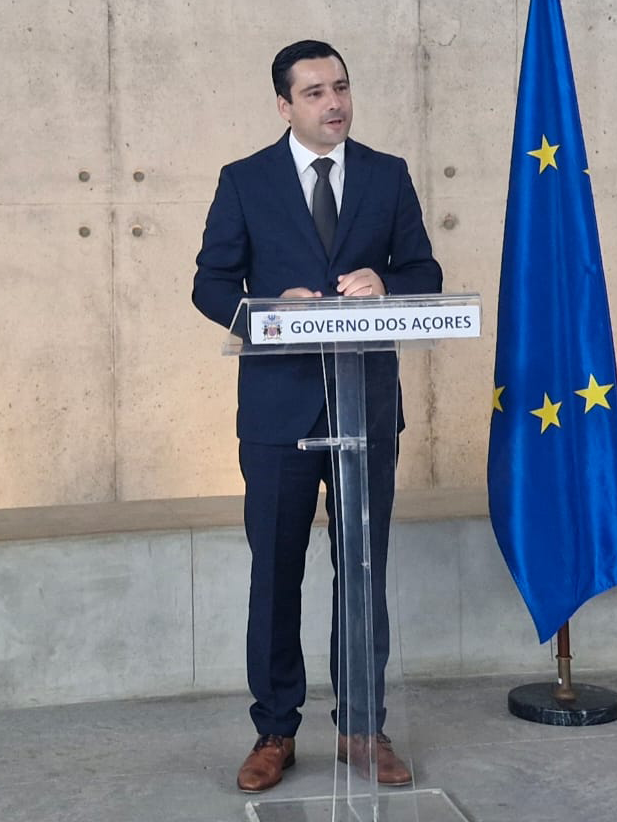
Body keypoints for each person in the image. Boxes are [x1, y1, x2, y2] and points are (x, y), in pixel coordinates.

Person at [192, 39, 443, 794]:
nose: (333, 102)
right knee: (276, 569)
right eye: (314, 93)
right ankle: (275, 730)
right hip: (276, 411)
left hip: (364, 405)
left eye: (341, 87)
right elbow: (210, 282)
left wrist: (386, 283)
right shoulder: (245, 181)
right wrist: (264, 311)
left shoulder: (386, 175)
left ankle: (362, 727)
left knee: (361, 570)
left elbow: (425, 271)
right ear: (283, 106)